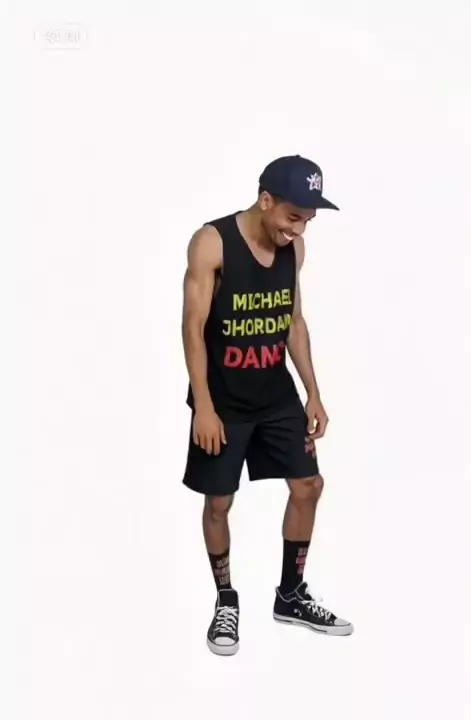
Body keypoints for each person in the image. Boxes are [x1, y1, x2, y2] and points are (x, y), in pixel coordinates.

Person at [181, 155, 353, 656]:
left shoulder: (294, 248)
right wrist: (203, 406)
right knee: (219, 503)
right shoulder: (212, 243)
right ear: (265, 200)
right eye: (293, 216)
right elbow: (192, 327)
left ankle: (290, 595)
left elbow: (292, 319)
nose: (298, 229)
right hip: (224, 401)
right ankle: (226, 599)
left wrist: (313, 391)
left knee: (309, 486)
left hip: (276, 394)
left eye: (308, 220)